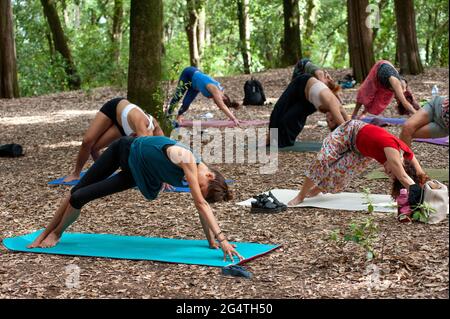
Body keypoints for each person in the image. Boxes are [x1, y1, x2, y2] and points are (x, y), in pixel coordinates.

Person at [28, 135, 243, 262]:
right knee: (76, 191)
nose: (197, 188)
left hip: (136, 174)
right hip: (123, 150)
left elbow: (201, 206)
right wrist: (224, 239)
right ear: (209, 175)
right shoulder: (187, 158)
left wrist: (211, 240)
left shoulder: (197, 173)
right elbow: (201, 203)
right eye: (203, 186)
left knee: (80, 197)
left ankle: (54, 232)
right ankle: (50, 232)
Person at [287, 118, 427, 207]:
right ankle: (301, 195)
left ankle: (318, 188)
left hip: (361, 151)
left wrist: (429, 191)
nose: (386, 171)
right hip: (350, 132)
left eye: (389, 174)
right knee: (322, 160)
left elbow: (420, 174)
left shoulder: (407, 155)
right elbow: (403, 176)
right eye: (390, 171)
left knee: (339, 176)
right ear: (400, 164)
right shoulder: (392, 151)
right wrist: (416, 193)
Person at [63, 98, 164, 183]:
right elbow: (145, 156)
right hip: (114, 108)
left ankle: (101, 174)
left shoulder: (156, 129)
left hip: (123, 127)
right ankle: (76, 173)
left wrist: (164, 178)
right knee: (87, 141)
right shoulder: (142, 126)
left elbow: (163, 153)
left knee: (94, 149)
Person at [267, 74, 350, 147]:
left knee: (290, 118)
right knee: (279, 110)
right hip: (301, 83)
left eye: (328, 122)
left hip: (310, 101)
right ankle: (271, 138)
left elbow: (351, 124)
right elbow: (344, 128)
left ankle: (282, 140)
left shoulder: (336, 108)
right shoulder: (334, 105)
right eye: (332, 119)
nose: (327, 119)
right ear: (337, 115)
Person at [165, 66, 240, 125]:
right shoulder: (215, 90)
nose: (215, 103)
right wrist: (234, 118)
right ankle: (168, 116)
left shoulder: (221, 92)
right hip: (189, 74)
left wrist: (230, 116)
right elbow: (222, 106)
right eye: (217, 102)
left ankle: (179, 116)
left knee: (186, 103)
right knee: (178, 96)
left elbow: (224, 105)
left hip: (195, 86)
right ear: (223, 97)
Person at [352, 60, 420, 119]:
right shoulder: (397, 84)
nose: (395, 99)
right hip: (380, 68)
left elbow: (412, 101)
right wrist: (417, 115)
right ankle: (354, 114)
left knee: (379, 102)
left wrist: (419, 111)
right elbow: (405, 102)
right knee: (365, 92)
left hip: (386, 81)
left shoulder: (405, 90)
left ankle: (363, 113)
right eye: (397, 100)